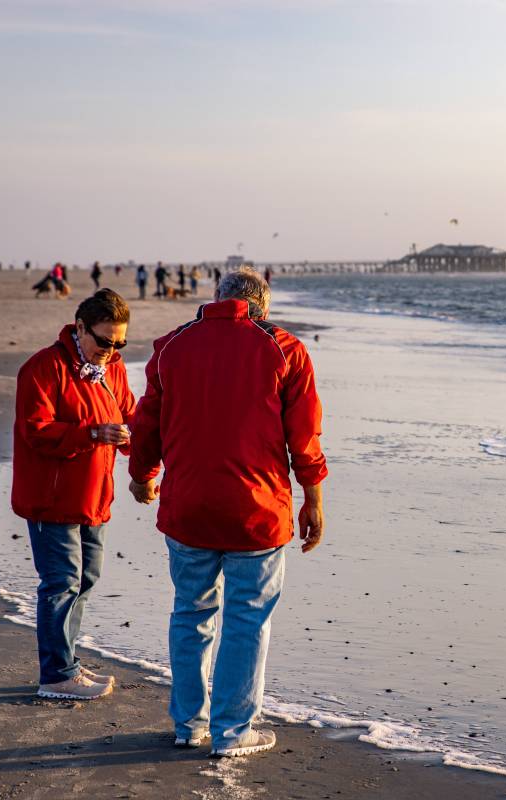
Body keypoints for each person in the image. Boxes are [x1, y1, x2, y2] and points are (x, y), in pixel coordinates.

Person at [128, 267, 326, 757]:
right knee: (247, 619)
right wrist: (314, 495)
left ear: (216, 298)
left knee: (190, 613)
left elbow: (146, 419)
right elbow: (304, 436)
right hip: (256, 510)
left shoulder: (173, 346)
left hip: (189, 506)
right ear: (263, 305)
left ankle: (188, 725)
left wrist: (142, 474)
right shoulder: (283, 348)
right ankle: (234, 731)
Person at [12, 289, 136, 700]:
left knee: (85, 580)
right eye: (104, 341)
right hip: (51, 498)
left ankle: (67, 664)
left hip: (94, 496)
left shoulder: (113, 370)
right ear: (80, 327)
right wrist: (93, 433)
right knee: (60, 582)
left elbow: (130, 417)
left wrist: (144, 445)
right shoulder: (42, 368)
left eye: (119, 343)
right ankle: (57, 675)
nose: (111, 350)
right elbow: (35, 431)